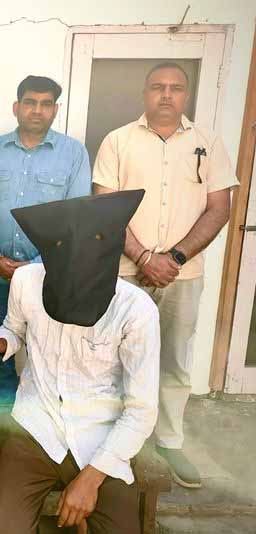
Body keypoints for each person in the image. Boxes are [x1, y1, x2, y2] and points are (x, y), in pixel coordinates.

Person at [0, 190, 160, 533]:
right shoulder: (26, 281)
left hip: (102, 435)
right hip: (35, 428)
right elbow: (15, 329)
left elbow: (141, 411)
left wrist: (92, 478)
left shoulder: (136, 310)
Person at [93, 62, 238, 488]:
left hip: (183, 275)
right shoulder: (118, 141)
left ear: (186, 95)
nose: (166, 95)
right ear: (145, 92)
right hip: (125, 273)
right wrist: (142, 257)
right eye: (158, 87)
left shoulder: (208, 143)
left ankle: (170, 441)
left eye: (175, 88)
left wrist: (172, 258)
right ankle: (112, 442)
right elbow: (106, 207)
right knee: (116, 357)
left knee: (174, 358)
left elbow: (220, 209)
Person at [0, 75, 91, 406]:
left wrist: (35, 265)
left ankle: (39, 423)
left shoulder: (74, 154)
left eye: (46, 104)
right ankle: (3, 420)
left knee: (47, 353)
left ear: (56, 110)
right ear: (16, 107)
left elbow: (77, 217)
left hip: (48, 277)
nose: (37, 110)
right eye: (30, 102)